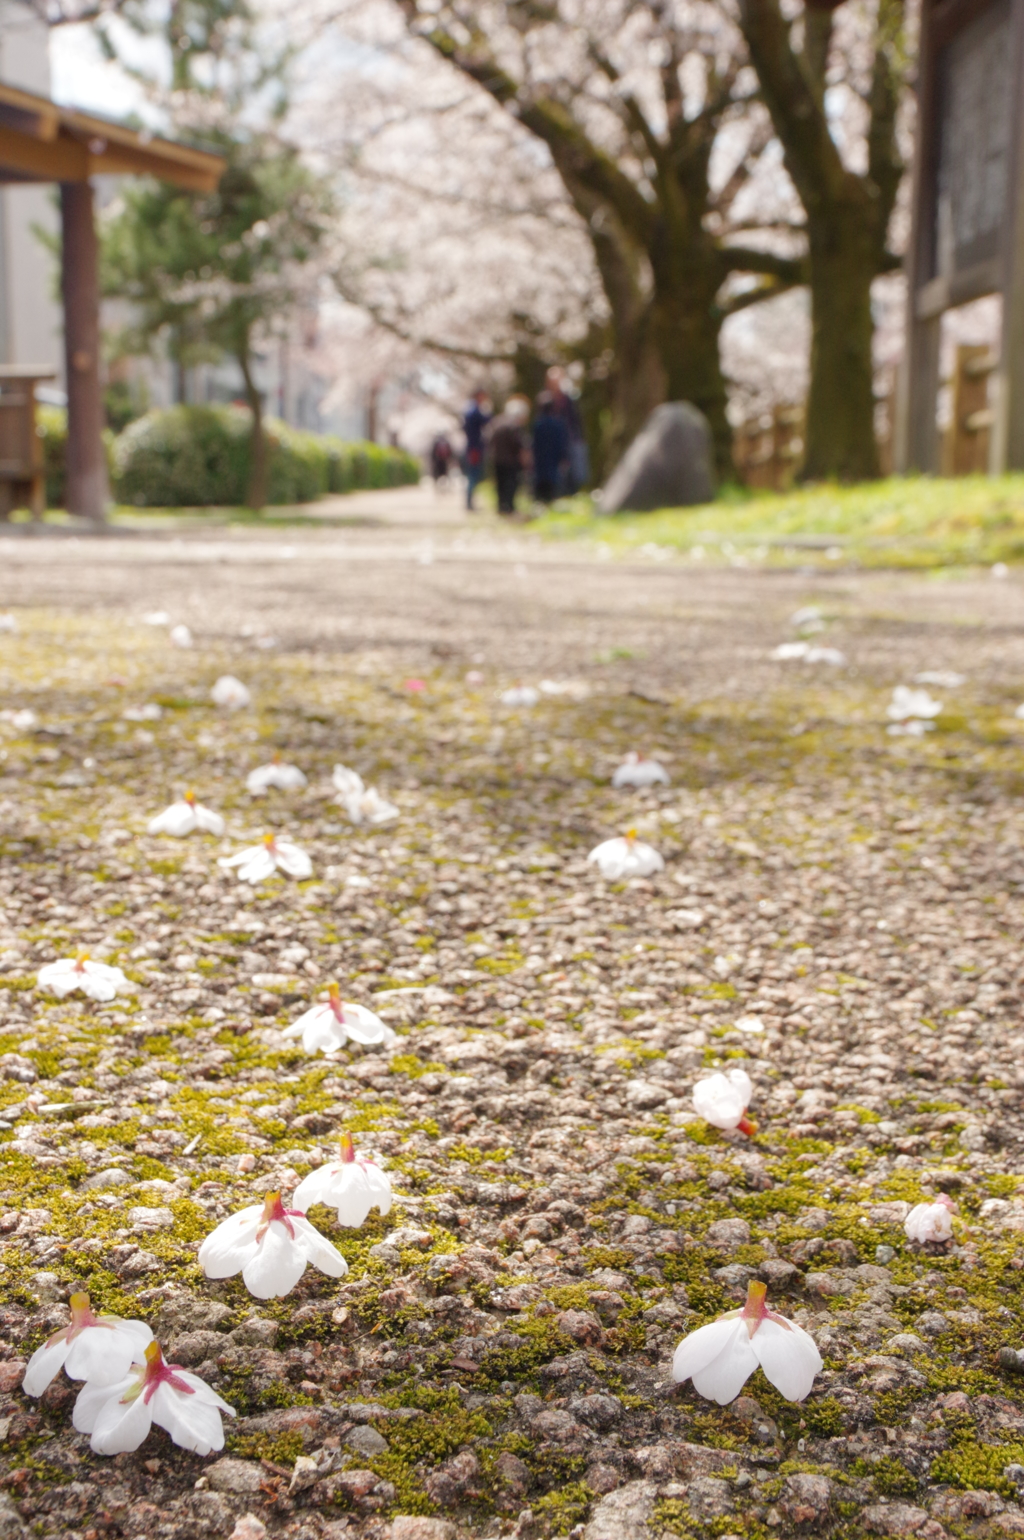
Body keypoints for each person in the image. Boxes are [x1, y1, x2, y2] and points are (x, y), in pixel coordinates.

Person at [545, 366, 589, 493]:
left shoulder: (569, 399)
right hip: (551, 440)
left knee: (572, 466)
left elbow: (576, 419)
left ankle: (572, 490)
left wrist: (579, 437)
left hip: (569, 437)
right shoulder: (545, 399)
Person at [487, 396, 530, 515]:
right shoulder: (514, 426)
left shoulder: (496, 422)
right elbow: (519, 444)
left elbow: (488, 440)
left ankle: (501, 507)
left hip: (496, 459)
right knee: (511, 484)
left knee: (500, 484)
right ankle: (509, 507)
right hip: (510, 460)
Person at [531, 392, 570, 504]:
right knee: (553, 483)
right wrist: (564, 457)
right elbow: (562, 443)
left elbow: (534, 443)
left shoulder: (538, 424)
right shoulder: (558, 424)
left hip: (541, 459)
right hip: (554, 458)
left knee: (541, 483)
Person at [461, 389, 492, 511]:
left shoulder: (469, 410)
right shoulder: (475, 411)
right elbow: (487, 420)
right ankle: (469, 503)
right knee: (473, 475)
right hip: (474, 448)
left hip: (472, 447)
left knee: (473, 475)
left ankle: (470, 502)